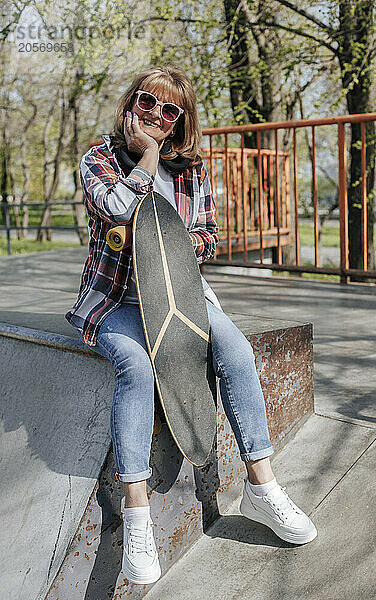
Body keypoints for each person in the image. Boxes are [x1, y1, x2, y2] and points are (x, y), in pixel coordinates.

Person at [65, 63, 317, 585]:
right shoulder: (99, 158)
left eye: (169, 110)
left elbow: (207, 237)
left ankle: (261, 484)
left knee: (237, 351)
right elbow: (112, 208)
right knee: (135, 367)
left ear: (181, 120)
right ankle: (138, 517)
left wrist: (181, 244)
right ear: (132, 104)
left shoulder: (191, 171)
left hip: (182, 298)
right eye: (147, 103)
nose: (156, 114)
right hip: (117, 301)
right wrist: (147, 162)